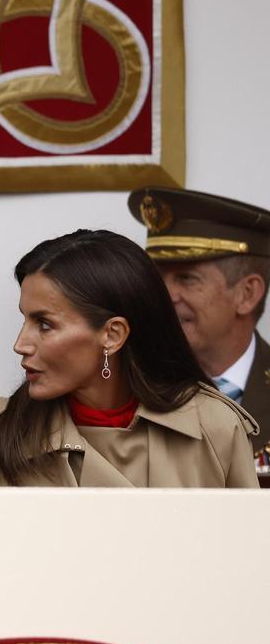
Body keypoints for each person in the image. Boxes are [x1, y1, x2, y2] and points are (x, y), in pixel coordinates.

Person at [0, 229, 258, 488]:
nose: (20, 344)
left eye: (44, 324)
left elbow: (251, 551)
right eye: (25, 321)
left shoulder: (215, 429)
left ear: (113, 335)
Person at [127, 187, 270, 471]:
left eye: (187, 278)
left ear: (247, 294)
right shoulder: (123, 387)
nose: (163, 295)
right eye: (156, 277)